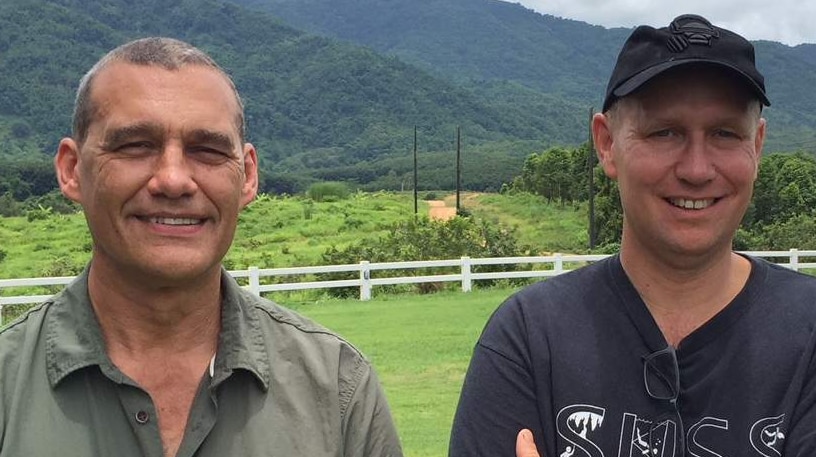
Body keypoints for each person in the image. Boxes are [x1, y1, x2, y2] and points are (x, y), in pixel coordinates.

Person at [0, 37, 402, 457]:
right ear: (72, 169)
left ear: (247, 176)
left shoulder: (337, 390)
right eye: (136, 146)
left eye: (207, 151)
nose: (173, 180)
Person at [450, 14, 816, 457]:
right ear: (606, 144)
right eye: (665, 132)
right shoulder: (529, 339)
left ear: (756, 146)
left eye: (724, 134)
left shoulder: (806, 334)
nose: (697, 170)